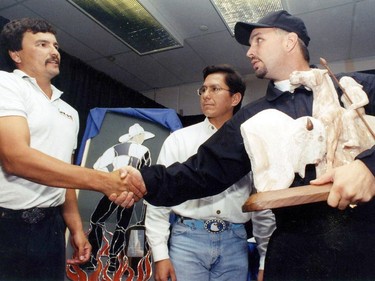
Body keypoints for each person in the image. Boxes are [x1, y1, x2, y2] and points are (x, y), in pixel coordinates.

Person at [118, 10, 375, 280]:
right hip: (293, 254)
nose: (249, 52)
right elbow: (203, 170)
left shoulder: (355, 88)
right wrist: (144, 180)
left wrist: (368, 166)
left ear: (289, 42)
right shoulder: (252, 118)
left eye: (258, 40)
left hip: (365, 246)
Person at [0, 18, 133, 281]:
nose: (54, 51)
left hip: (50, 228)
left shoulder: (70, 112)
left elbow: (65, 177)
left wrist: (76, 229)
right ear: (16, 54)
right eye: (42, 44)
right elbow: (15, 158)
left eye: (56, 45)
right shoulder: (7, 85)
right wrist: (103, 181)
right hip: (7, 226)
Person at [145, 64, 275, 281]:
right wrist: (160, 255)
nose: (206, 95)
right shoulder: (180, 140)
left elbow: (262, 206)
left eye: (215, 89)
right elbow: (159, 198)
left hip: (235, 242)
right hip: (187, 241)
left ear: (235, 99)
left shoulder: (252, 144)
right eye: (203, 90)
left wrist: (264, 260)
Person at [84, 123, 154, 273]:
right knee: (124, 226)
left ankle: (92, 258)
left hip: (113, 190)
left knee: (96, 221)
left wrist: (111, 180)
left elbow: (97, 166)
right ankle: (116, 261)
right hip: (132, 194)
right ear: (139, 136)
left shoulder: (115, 148)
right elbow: (146, 175)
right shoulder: (144, 150)